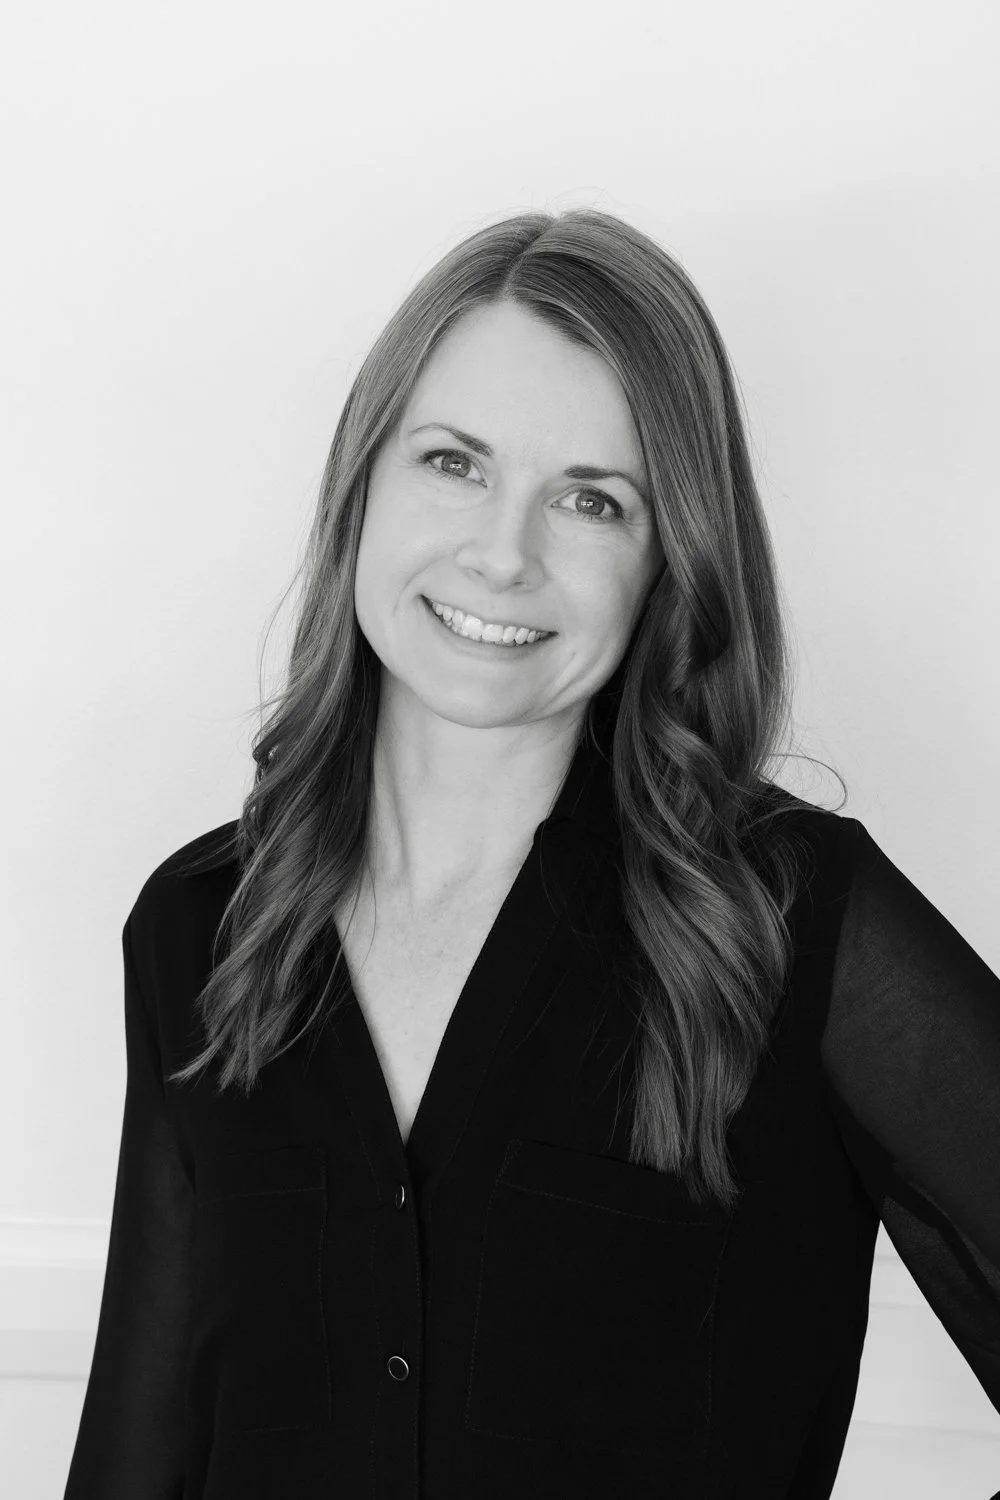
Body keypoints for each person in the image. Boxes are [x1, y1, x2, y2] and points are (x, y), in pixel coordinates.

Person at [64, 209, 1000, 1499]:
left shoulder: (795, 921)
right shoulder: (200, 925)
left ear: (671, 561)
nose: (504, 556)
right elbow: (138, 1455)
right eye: (454, 463)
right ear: (361, 484)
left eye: (590, 500)